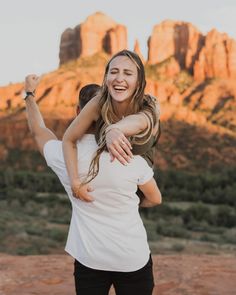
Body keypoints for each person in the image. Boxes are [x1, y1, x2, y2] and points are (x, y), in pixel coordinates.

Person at [24, 74, 162, 295]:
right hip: (131, 257)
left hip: (90, 259)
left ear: (79, 113)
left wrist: (29, 94)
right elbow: (155, 198)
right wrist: (128, 202)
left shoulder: (62, 155)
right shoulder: (131, 156)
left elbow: (38, 130)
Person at [62, 49, 161, 202]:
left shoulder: (148, 106)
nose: (119, 79)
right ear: (106, 77)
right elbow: (68, 139)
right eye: (114, 72)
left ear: (139, 82)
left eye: (128, 73)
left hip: (142, 158)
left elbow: (140, 121)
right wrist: (75, 182)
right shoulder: (98, 103)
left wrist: (114, 129)